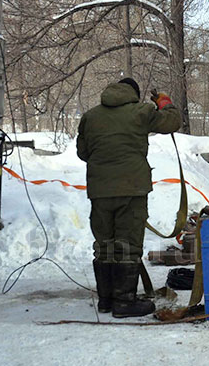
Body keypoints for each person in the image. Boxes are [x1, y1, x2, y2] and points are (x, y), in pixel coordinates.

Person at [76, 77, 181, 318]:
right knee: (127, 244)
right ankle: (124, 301)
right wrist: (164, 101)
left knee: (104, 245)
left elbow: (83, 152)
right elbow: (172, 122)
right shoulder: (142, 111)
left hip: (100, 191)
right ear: (133, 94)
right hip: (132, 190)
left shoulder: (90, 116)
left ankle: (106, 300)